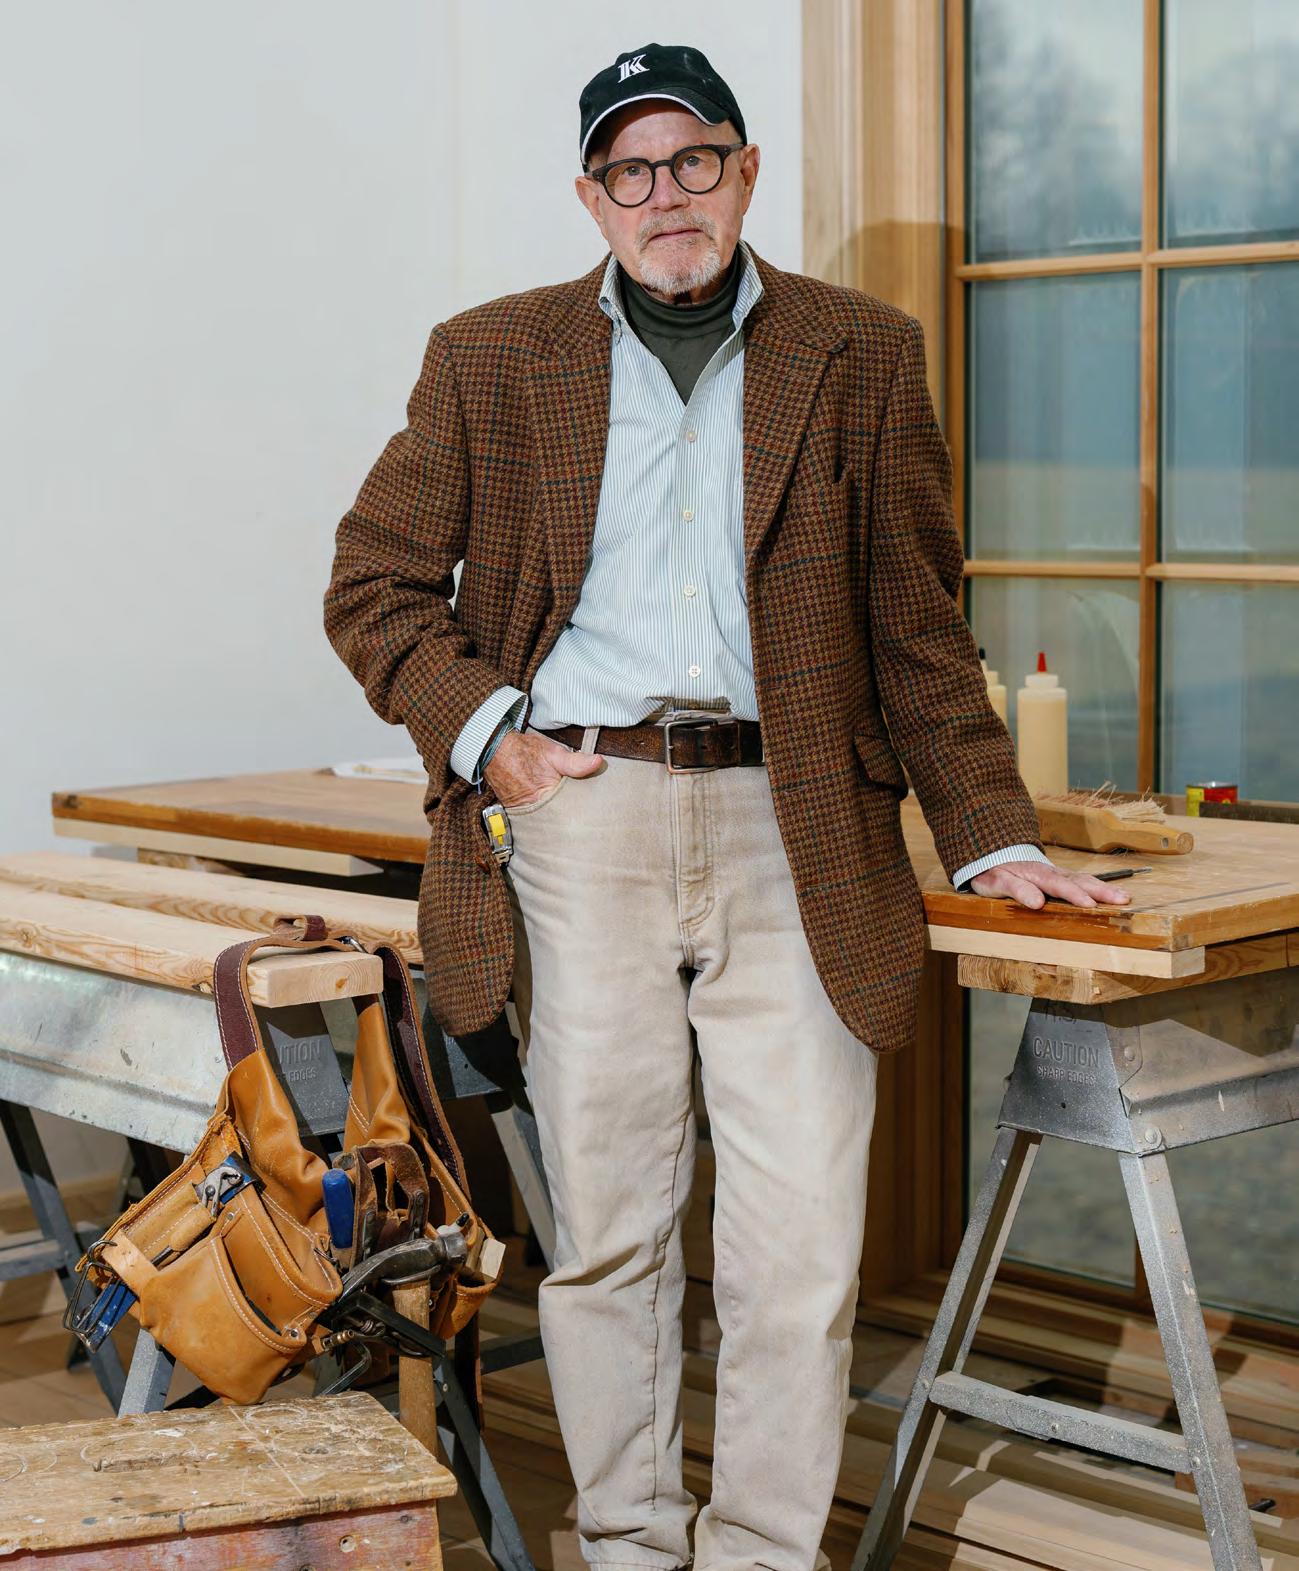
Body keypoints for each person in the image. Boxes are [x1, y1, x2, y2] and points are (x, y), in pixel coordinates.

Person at [324, 42, 1130, 1571]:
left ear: (745, 171)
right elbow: (375, 586)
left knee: (800, 1242)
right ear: (592, 198)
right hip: (585, 821)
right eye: (629, 171)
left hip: (797, 826)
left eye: (692, 159)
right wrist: (495, 737)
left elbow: (917, 626)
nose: (665, 196)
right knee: (610, 1228)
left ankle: (763, 1553)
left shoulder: (861, 352)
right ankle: (628, 1545)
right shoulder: (489, 358)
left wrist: (995, 834)